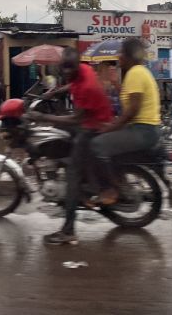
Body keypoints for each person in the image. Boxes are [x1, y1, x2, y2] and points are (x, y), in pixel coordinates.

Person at [26, 47, 113, 246]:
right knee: (58, 134)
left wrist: (43, 117)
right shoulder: (82, 70)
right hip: (91, 122)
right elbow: (72, 84)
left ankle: (68, 231)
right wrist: (53, 92)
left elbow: (76, 118)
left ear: (75, 65)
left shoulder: (87, 86)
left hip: (93, 127)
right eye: (63, 68)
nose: (66, 72)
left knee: (72, 172)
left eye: (69, 69)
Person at [90, 38, 161, 205]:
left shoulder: (135, 72)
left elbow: (132, 110)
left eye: (122, 53)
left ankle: (110, 190)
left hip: (143, 131)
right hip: (144, 129)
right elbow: (129, 99)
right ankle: (119, 182)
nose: (119, 57)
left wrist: (112, 127)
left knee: (97, 144)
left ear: (129, 56)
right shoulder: (138, 72)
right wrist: (115, 84)